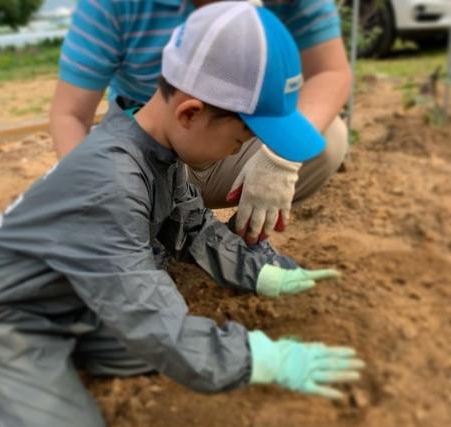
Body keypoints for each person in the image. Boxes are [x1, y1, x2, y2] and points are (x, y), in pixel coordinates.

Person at [0, 2, 363, 427]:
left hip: (60, 298)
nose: (238, 154)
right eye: (240, 141)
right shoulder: (112, 183)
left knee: (142, 352)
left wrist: (263, 271)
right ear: (191, 113)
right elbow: (156, 322)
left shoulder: (155, 146)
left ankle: (47, 365)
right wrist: (258, 358)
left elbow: (193, 226)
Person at [50, 0, 352, 244]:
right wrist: (92, 195)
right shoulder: (114, 5)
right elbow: (71, 114)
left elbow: (331, 72)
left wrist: (279, 159)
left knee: (325, 143)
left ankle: (236, 242)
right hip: (150, 153)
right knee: (107, 201)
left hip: (219, 142)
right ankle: (151, 231)